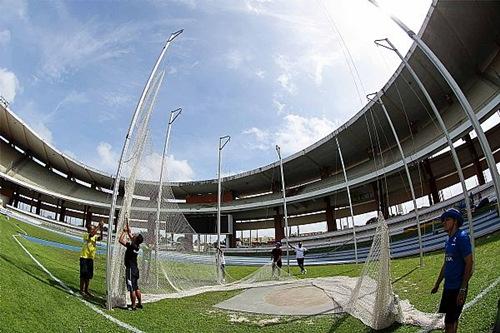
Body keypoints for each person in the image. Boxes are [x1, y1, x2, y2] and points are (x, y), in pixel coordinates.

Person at [431, 208, 473, 333]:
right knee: (452, 319)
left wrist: (463, 289)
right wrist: (437, 284)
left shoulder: (462, 237)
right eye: (443, 220)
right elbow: (446, 264)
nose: (444, 222)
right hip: (448, 287)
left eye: (447, 219)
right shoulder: (448, 240)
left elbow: (470, 263)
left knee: (448, 323)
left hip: (457, 288)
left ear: (455, 221)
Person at [119, 221, 144, 310]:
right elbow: (131, 236)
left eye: (135, 236)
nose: (133, 235)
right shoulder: (137, 246)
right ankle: (139, 303)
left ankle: (133, 306)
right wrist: (128, 226)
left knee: (131, 289)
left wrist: (124, 232)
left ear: (135, 240)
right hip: (135, 269)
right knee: (136, 287)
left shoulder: (131, 245)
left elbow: (120, 240)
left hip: (130, 269)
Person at [79, 220, 104, 297]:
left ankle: (86, 290)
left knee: (88, 275)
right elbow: (92, 234)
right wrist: (99, 226)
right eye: (92, 229)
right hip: (84, 257)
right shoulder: (86, 235)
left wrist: (102, 229)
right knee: (83, 275)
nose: (94, 230)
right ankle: (81, 290)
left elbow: (101, 238)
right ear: (89, 230)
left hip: (90, 258)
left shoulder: (95, 236)